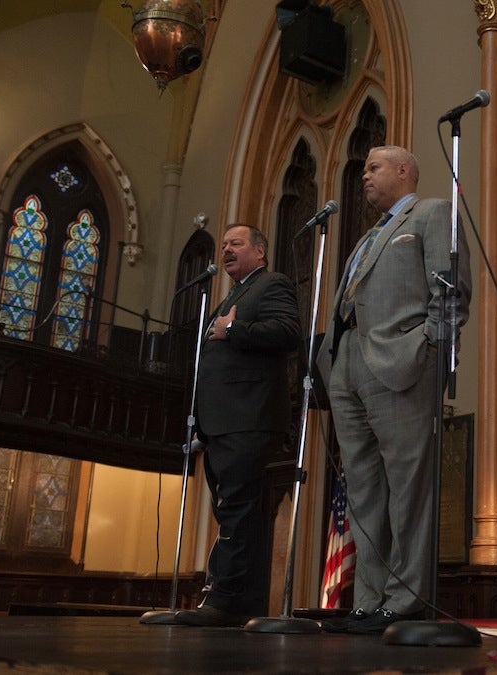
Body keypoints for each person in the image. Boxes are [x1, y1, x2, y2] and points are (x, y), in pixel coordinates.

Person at [315, 145, 472, 635]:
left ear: (404, 170)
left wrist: (430, 347)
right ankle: (368, 602)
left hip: (403, 359)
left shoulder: (431, 213)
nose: (364, 175)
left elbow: (451, 289)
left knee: (408, 487)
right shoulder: (368, 236)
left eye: (373, 167)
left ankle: (406, 600)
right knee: (362, 489)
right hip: (348, 365)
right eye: (364, 167)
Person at [174, 225, 302, 627]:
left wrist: (233, 329)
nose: (227, 249)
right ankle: (230, 599)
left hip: (250, 417)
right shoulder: (230, 294)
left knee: (240, 510)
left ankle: (229, 601)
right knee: (229, 509)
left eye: (236, 244)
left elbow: (287, 332)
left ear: (260, 252)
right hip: (221, 421)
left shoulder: (272, 285)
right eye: (224, 244)